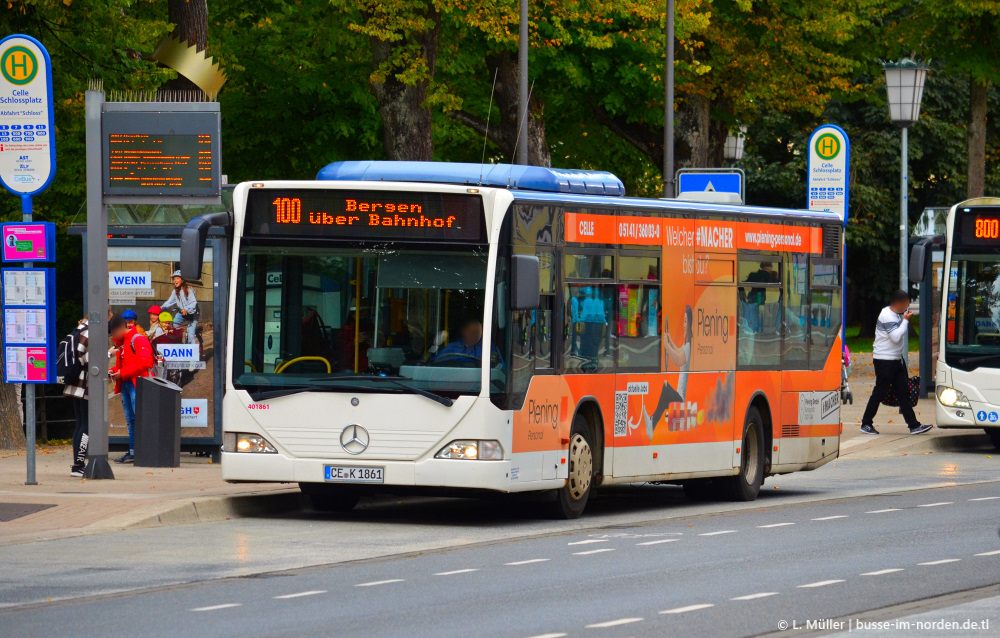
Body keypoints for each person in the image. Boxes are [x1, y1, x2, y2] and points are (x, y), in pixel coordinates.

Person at [861, 290, 932, 435]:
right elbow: (896, 337)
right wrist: (906, 320)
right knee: (880, 392)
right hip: (885, 361)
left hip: (895, 359)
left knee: (903, 392)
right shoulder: (887, 316)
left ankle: (913, 425)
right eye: (905, 304)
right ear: (897, 303)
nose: (906, 307)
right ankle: (866, 423)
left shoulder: (894, 315)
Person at [631, 305, 693, 440]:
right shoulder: (686, 345)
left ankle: (652, 423)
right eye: (683, 321)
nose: (683, 325)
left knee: (665, 387)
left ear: (690, 324)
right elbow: (677, 350)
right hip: (679, 396)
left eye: (685, 321)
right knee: (665, 394)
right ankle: (652, 423)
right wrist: (669, 339)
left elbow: (678, 360)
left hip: (681, 399)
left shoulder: (688, 346)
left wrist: (666, 345)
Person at [109, 315, 155, 463]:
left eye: (114, 333)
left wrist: (121, 373)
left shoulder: (137, 339)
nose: (113, 336)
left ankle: (145, 452)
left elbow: (145, 363)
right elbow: (122, 365)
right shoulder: (123, 343)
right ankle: (134, 451)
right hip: (127, 383)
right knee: (132, 420)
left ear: (122, 328)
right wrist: (113, 371)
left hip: (138, 384)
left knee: (140, 419)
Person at [62, 317, 89, 477]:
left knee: (80, 424)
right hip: (85, 385)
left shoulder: (77, 330)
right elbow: (89, 360)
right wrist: (108, 353)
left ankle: (77, 464)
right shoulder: (89, 333)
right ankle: (78, 465)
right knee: (86, 425)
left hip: (74, 384)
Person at [436, 318, 503, 366]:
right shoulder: (451, 348)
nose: (475, 336)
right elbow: (434, 365)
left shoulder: (489, 347)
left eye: (477, 333)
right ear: (463, 332)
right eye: (472, 332)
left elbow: (500, 369)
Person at [161, 270, 198, 345]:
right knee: (174, 324)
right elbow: (169, 302)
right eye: (174, 279)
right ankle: (179, 342)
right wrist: (160, 308)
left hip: (193, 313)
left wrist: (186, 309)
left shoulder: (188, 289)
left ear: (182, 280)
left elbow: (194, 303)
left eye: (177, 278)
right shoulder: (175, 291)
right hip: (182, 312)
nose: (175, 280)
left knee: (191, 335)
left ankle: (193, 353)